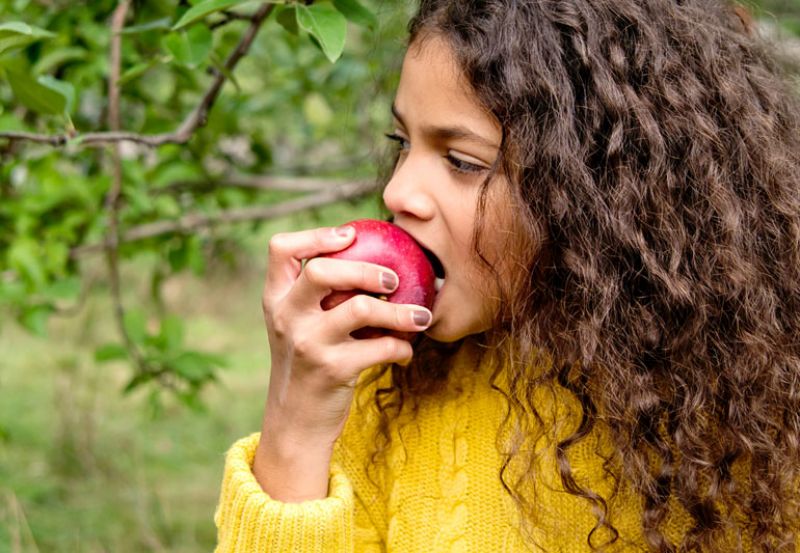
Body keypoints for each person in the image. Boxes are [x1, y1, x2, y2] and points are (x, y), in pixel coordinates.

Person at [214, 0, 800, 551]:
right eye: (402, 142)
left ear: (597, 192)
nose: (396, 191)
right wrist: (296, 422)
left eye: (463, 162)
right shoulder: (388, 390)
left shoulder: (755, 412)